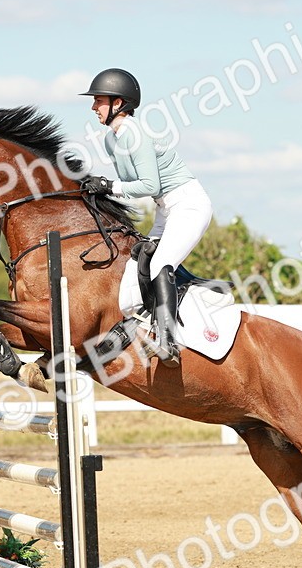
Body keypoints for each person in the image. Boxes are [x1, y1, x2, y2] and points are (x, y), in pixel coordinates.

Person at [79, 68, 213, 367]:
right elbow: (132, 185)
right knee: (132, 282)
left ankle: (168, 342)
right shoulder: (112, 140)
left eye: (98, 100)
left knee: (160, 264)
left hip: (188, 204)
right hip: (166, 210)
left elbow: (148, 185)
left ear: (118, 103)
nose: (93, 107)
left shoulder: (135, 134)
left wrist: (109, 186)